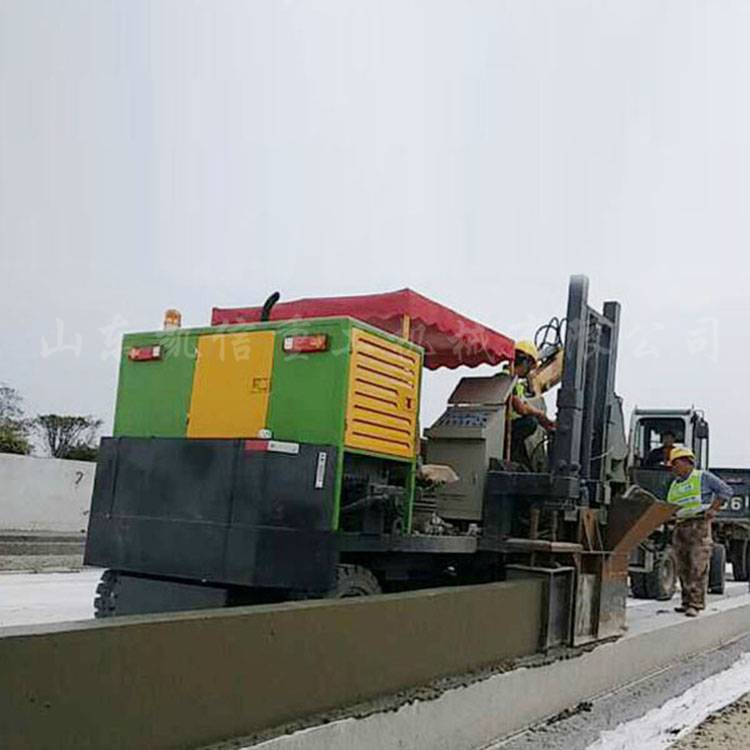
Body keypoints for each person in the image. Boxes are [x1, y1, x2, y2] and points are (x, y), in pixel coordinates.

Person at [667, 446, 732, 617]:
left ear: (687, 462)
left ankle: (695, 604)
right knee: (682, 566)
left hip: (698, 525)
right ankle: (686, 601)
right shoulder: (675, 484)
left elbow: (725, 491)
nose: (674, 468)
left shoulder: (702, 477)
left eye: (676, 464)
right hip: (680, 526)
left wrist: (713, 509)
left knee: (697, 565)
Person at [509, 340, 556, 466]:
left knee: (525, 463)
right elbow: (521, 409)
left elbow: (525, 406)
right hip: (505, 431)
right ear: (525, 362)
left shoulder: (513, 382)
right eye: (530, 367)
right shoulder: (507, 379)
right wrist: (540, 413)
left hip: (506, 430)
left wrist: (546, 422)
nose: (530, 372)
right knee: (530, 423)